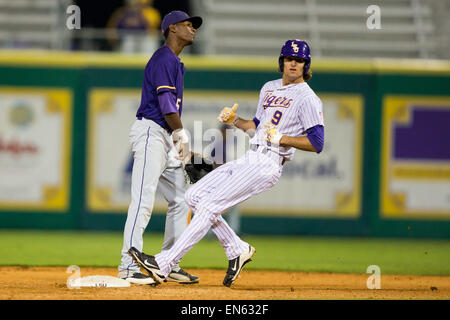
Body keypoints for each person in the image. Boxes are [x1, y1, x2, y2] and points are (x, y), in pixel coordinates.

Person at [128, 39, 325, 287]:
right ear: (282, 62)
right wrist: (235, 120)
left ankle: (164, 264)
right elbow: (256, 127)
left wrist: (283, 138)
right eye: (289, 59)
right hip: (252, 155)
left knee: (209, 206)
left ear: (306, 65)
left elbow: (317, 143)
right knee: (194, 196)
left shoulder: (308, 98)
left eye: (299, 60)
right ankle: (237, 249)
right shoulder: (269, 88)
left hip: (269, 162)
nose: (293, 64)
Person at [117, 10, 203, 285]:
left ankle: (168, 262)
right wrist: (180, 133)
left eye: (194, 26)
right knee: (143, 200)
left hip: (164, 136)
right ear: (172, 29)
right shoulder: (164, 58)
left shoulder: (175, 62)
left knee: (182, 198)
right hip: (151, 133)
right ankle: (128, 266)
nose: (193, 30)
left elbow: (170, 109)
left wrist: (176, 135)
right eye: (188, 25)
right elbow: (166, 104)